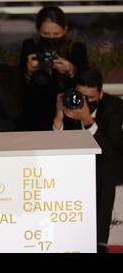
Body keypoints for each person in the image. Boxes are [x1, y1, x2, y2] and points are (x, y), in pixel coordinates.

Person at [53, 67, 123, 252]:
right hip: (71, 169)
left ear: (100, 94)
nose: (83, 103)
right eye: (80, 96)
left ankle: (99, 242)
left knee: (105, 171)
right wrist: (58, 119)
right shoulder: (67, 101)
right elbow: (54, 147)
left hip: (106, 171)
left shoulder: (114, 107)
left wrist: (88, 121)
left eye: (90, 99)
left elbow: (111, 153)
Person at [18, 6, 88, 131]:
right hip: (34, 112)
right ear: (38, 30)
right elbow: (19, 84)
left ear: (65, 29)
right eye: (45, 34)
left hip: (68, 113)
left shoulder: (76, 49)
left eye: (56, 34)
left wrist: (71, 69)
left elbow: (86, 82)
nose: (51, 38)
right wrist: (28, 71)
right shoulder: (30, 46)